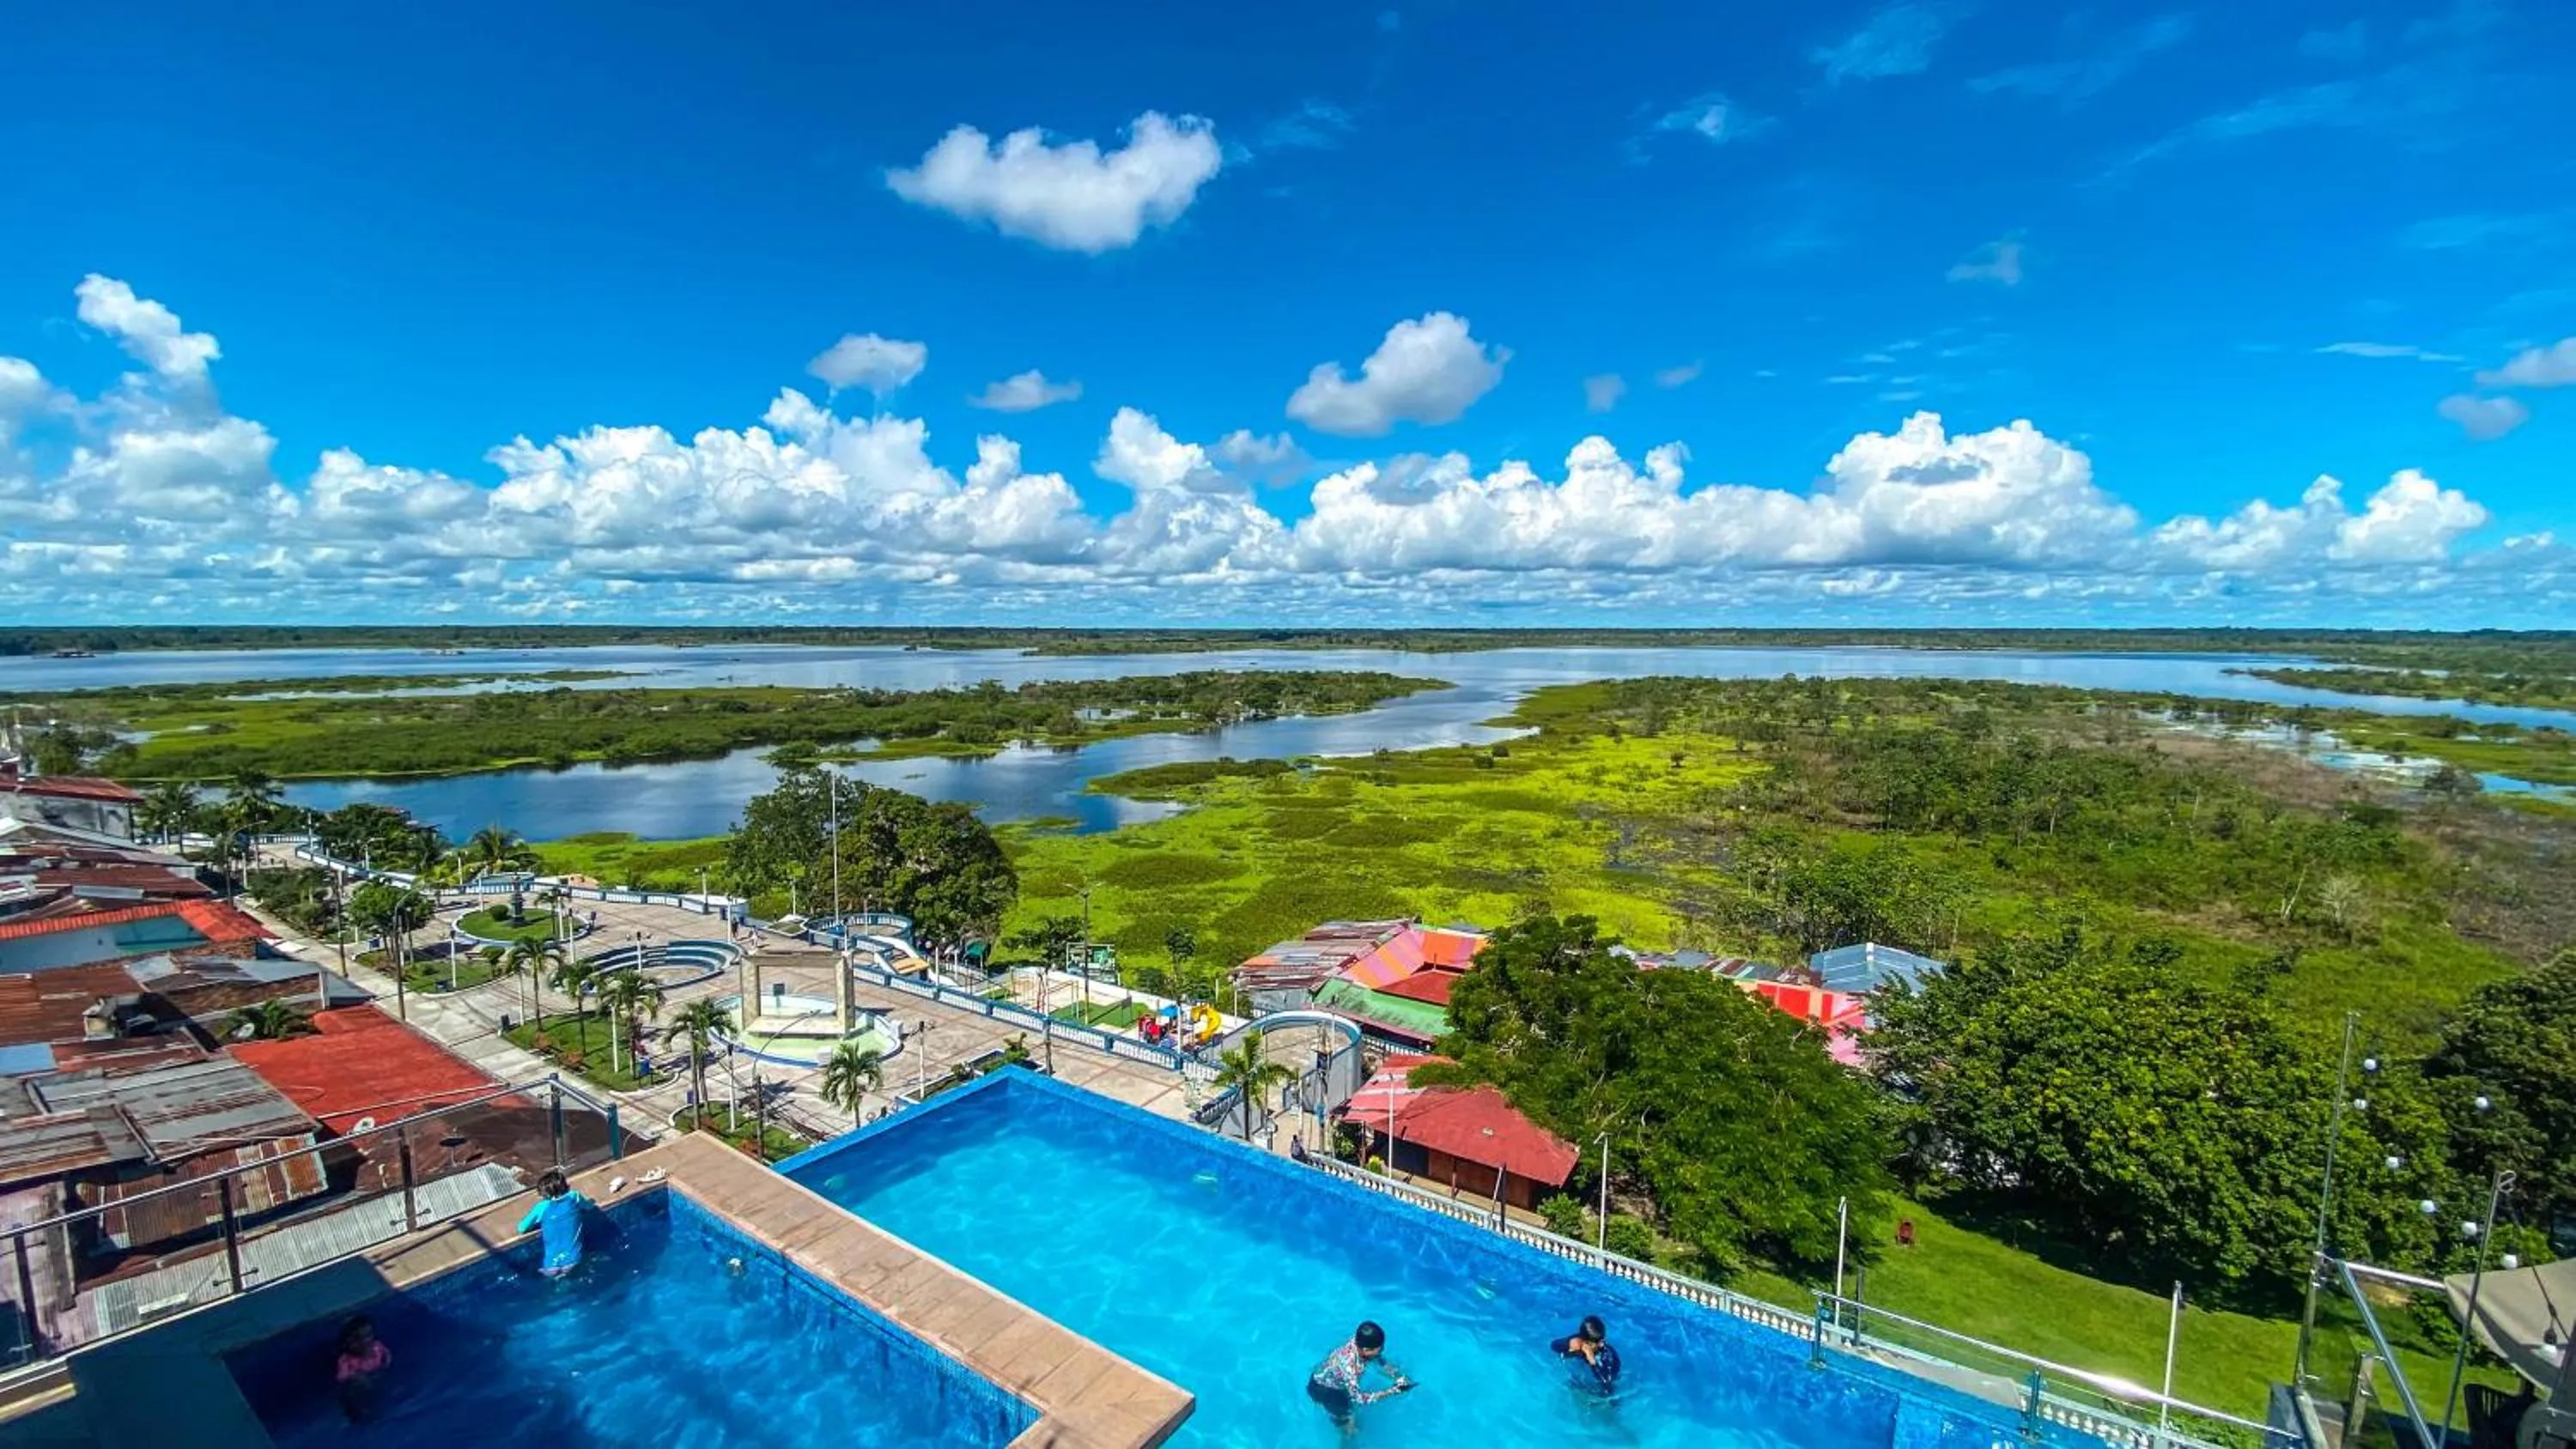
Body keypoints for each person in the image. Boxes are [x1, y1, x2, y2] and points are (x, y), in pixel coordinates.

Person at [1308, 1320, 1413, 1433]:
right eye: (1380, 1349)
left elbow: (1376, 1358)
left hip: (1325, 1378)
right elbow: (1359, 1399)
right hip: (1327, 1392)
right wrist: (1393, 1391)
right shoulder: (1350, 1367)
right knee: (1352, 1428)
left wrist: (1396, 1376)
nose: (1382, 1351)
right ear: (1366, 1350)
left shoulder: (1359, 1341)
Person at [516, 1168, 589, 1277]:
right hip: (573, 1259)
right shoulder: (574, 1197)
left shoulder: (541, 1207)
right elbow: (588, 1207)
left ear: (543, 1194)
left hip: (550, 1266)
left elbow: (521, 1228)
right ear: (565, 1186)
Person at [334, 1314, 391, 1422]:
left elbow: (386, 1353)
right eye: (364, 1337)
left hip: (375, 1377)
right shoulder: (347, 1360)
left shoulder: (377, 1347)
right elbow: (341, 1378)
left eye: (370, 1335)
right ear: (351, 1343)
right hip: (359, 1387)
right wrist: (356, 1376)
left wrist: (387, 1362)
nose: (370, 1340)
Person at [1551, 1315, 1622, 1395]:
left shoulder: (1607, 1354)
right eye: (1598, 1342)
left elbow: (1606, 1382)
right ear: (1584, 1342)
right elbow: (1554, 1345)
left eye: (1602, 1340)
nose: (1602, 1344)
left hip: (1607, 1377)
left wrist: (1592, 1362)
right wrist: (1568, 1342)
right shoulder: (1578, 1341)